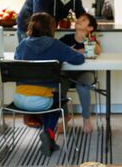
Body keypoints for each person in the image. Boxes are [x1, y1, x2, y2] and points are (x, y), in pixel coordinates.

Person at [14, 12, 84, 156]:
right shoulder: (56, 45)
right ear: (51, 28)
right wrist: (69, 51)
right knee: (57, 99)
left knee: (52, 97)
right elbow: (79, 60)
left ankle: (49, 137)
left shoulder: (22, 45)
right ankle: (48, 133)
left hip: (19, 100)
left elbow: (17, 60)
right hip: (42, 101)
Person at [59, 13, 101, 133]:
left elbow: (98, 50)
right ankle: (65, 117)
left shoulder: (91, 40)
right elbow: (57, 50)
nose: (78, 20)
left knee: (82, 87)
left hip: (85, 73)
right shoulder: (66, 38)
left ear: (90, 28)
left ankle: (86, 119)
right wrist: (73, 51)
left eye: (83, 20)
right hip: (67, 74)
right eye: (79, 19)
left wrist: (80, 47)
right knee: (59, 87)